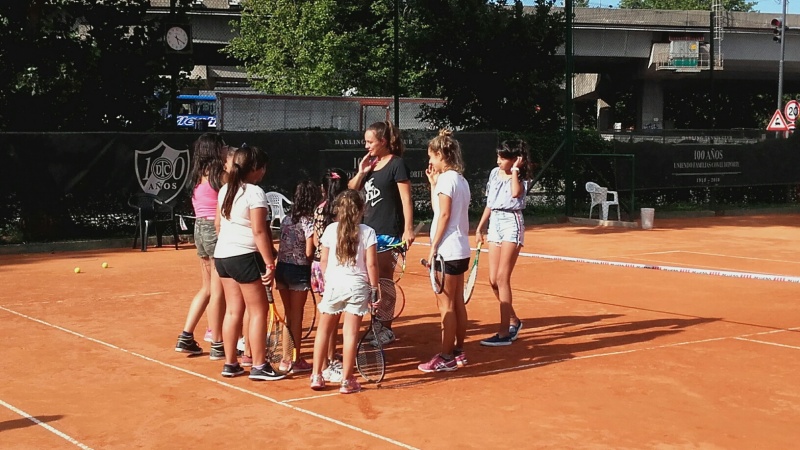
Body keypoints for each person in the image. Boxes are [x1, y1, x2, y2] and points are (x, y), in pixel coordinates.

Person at [213, 145, 283, 380]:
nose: (264, 172)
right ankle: (260, 366)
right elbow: (259, 231)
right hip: (245, 257)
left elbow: (218, 225)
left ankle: (231, 363)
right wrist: (270, 263)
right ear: (255, 168)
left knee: (233, 310)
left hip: (223, 257)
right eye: (263, 167)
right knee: (258, 311)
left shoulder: (225, 190)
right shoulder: (255, 192)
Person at [348, 121, 415, 346]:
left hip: (388, 232)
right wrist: (361, 172)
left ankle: (386, 328)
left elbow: (406, 199)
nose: (366, 146)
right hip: (367, 231)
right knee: (370, 280)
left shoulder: (397, 164)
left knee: (384, 281)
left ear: (383, 141)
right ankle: (376, 324)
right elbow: (351, 190)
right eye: (365, 142)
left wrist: (408, 229)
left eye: (370, 142)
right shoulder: (370, 165)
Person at [309, 189, 380, 394]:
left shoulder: (331, 229)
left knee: (323, 331)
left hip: (334, 285)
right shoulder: (368, 232)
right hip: (357, 286)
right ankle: (347, 381)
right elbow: (371, 264)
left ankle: (316, 375)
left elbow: (323, 261)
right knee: (350, 334)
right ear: (362, 209)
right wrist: (375, 289)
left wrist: (329, 281)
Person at [419, 130, 471, 372]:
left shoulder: (447, 180)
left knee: (446, 305)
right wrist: (432, 184)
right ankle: (459, 351)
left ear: (440, 155)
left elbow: (445, 215)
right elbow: (438, 210)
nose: (430, 161)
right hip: (460, 250)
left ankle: (446, 356)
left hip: (447, 252)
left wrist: (433, 248)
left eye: (431, 156)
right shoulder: (460, 180)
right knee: (457, 302)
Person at [475, 139, 534, 347]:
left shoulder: (521, 177)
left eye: (502, 157)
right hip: (495, 223)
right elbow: (490, 202)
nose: (498, 161)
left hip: (512, 222)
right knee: (493, 280)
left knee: (502, 278)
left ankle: (504, 332)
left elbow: (516, 193)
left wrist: (516, 170)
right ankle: (514, 321)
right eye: (498, 156)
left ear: (515, 159)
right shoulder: (494, 173)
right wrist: (480, 227)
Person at [174, 133, 227, 360]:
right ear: (215, 149)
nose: (225, 149)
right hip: (215, 230)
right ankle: (218, 344)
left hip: (199, 229)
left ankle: (186, 336)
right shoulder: (220, 175)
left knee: (207, 288)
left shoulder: (197, 174)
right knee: (218, 291)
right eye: (222, 146)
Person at [275, 179, 320, 373]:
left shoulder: (286, 219)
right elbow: (309, 252)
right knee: (296, 316)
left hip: (281, 269)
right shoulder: (309, 221)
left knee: (289, 315)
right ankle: (294, 360)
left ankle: (286, 359)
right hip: (298, 271)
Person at [311, 169, 350, 383]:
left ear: (323, 188)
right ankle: (327, 363)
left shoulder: (319, 209)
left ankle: (328, 359)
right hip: (336, 267)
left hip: (319, 265)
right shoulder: (344, 212)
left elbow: (317, 241)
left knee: (329, 316)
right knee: (333, 318)